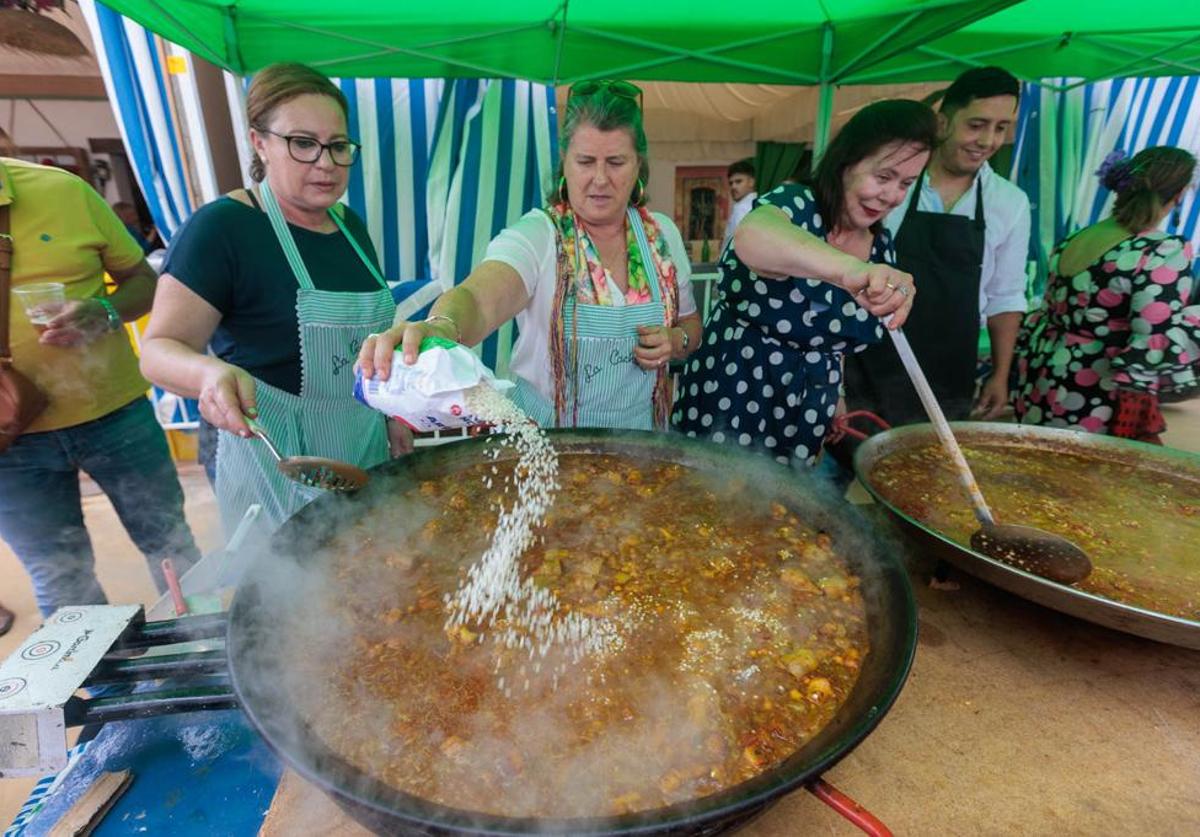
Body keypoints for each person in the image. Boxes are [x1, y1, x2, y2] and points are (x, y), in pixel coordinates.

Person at [140, 63, 406, 535]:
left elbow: (366, 345)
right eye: (303, 144)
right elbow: (158, 351)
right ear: (259, 142)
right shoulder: (222, 229)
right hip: (272, 460)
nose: (325, 163)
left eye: (338, 146)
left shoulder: (350, 226)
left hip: (363, 448)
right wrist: (210, 372)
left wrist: (393, 413)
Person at [358, 80, 702, 432]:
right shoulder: (540, 235)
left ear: (638, 165)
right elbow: (479, 299)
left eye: (616, 162)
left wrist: (676, 341)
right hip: (548, 448)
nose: (600, 178)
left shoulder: (661, 235)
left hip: (638, 445)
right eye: (585, 161)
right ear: (564, 162)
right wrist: (441, 326)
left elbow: (691, 324)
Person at [673, 100, 934, 466]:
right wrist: (848, 271)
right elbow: (754, 236)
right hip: (734, 385)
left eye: (906, 183)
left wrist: (836, 394)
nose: (891, 195)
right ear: (847, 162)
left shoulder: (881, 246)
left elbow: (831, 334)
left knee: (787, 511)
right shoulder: (797, 205)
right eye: (883, 176)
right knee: (709, 498)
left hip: (808, 405)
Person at [0, 144, 200, 617]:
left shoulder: (63, 190)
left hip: (115, 416)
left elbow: (145, 282)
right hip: (11, 446)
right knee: (59, 576)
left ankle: (205, 656)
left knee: (171, 545)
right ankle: (97, 687)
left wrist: (106, 312)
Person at [843, 66, 1031, 426]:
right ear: (943, 121)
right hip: (870, 356)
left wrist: (1000, 374)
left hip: (949, 372)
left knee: (927, 473)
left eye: (1001, 128)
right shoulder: (894, 184)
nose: (987, 140)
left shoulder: (1010, 202)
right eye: (976, 124)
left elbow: (1005, 297)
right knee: (844, 465)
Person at [1012, 146, 1200, 442]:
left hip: (1044, 375)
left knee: (1044, 463)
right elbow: (1153, 332)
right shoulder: (1161, 251)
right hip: (1097, 386)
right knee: (1087, 475)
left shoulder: (1077, 237)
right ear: (1180, 194)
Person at [721, 158, 757, 252]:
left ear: (751, 182)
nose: (733, 186)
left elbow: (742, 245)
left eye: (738, 181)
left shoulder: (742, 208)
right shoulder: (759, 203)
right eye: (731, 183)